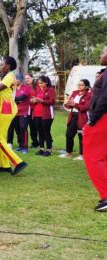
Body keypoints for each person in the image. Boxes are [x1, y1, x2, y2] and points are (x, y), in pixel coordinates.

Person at [0, 57, 27, 175]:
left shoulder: (9, 76)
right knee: (1, 138)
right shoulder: (6, 76)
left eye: (2, 64)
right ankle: (5, 165)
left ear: (8, 66)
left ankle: (18, 162)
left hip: (6, 109)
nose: (0, 66)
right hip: (4, 109)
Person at [83, 44, 107, 212]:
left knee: (93, 157)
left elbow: (105, 98)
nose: (101, 55)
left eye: (103, 52)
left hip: (102, 118)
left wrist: (92, 119)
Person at [59, 79, 91, 160]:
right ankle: (68, 153)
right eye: (78, 84)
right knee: (69, 134)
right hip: (73, 116)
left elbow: (85, 108)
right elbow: (69, 106)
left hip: (82, 117)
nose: (79, 86)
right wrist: (67, 103)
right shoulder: (74, 92)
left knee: (81, 137)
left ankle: (82, 155)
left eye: (82, 85)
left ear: (86, 86)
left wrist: (74, 104)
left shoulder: (89, 95)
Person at [32, 76, 55, 157]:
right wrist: (33, 100)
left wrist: (41, 100)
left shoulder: (50, 90)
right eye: (39, 83)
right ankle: (41, 148)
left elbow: (52, 101)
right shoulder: (37, 90)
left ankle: (49, 149)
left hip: (46, 114)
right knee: (40, 132)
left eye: (41, 83)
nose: (40, 84)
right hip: (37, 114)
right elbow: (34, 100)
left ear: (46, 82)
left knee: (46, 132)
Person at [7, 73, 31, 153]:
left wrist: (14, 99)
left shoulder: (26, 88)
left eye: (16, 79)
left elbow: (23, 97)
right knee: (17, 128)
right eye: (14, 79)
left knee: (23, 127)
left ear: (20, 80)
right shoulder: (13, 89)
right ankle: (20, 145)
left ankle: (25, 147)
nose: (15, 81)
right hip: (15, 111)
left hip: (24, 111)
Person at [24, 73, 39, 148]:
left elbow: (39, 95)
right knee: (29, 126)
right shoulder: (25, 87)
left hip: (36, 109)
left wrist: (35, 99)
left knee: (36, 126)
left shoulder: (36, 87)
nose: (27, 79)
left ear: (32, 78)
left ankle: (39, 142)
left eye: (28, 78)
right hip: (27, 109)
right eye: (26, 78)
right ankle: (34, 142)